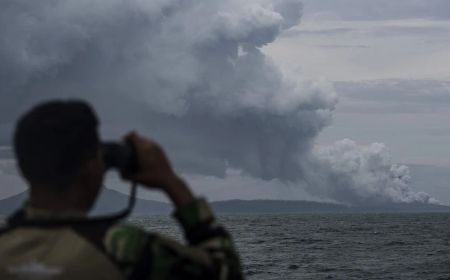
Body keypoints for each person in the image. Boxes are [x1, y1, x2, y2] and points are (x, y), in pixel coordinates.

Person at [0, 100, 244, 280]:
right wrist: (172, 182)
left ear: (23, 167)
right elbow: (224, 271)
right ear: (90, 170)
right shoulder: (123, 248)